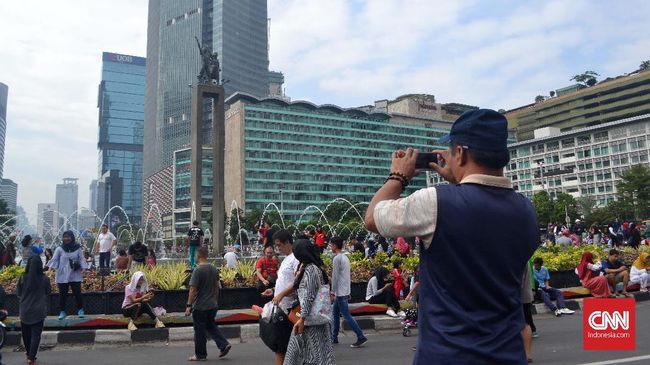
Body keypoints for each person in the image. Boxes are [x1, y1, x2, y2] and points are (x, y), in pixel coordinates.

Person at [364, 109, 539, 364]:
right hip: (508, 354)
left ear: (461, 153)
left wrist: (398, 176)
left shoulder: (437, 202)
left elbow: (372, 219)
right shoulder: (526, 211)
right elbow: (481, 219)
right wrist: (460, 182)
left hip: (447, 355)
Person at [283, 239, 335, 365]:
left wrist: (302, 318)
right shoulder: (311, 267)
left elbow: (309, 295)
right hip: (312, 320)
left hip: (310, 320)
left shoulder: (311, 269)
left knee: (316, 355)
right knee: (312, 355)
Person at [185, 247, 231, 361]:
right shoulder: (214, 269)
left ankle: (200, 355)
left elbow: (192, 289)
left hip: (200, 306)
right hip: (212, 305)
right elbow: (216, 287)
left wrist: (189, 306)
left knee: (199, 331)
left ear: (198, 255)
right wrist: (215, 301)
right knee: (210, 325)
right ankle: (223, 344)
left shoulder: (197, 270)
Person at [263, 230, 300, 365]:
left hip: (291, 308)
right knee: (281, 346)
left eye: (279, 245)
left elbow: (297, 282)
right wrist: (273, 291)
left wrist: (281, 294)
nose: (277, 248)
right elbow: (285, 282)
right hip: (282, 307)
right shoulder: (286, 259)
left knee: (282, 347)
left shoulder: (295, 259)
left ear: (288, 242)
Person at [330, 236, 367, 348]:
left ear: (335, 245)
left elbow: (335, 277)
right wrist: (348, 291)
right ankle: (334, 337)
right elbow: (346, 276)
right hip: (343, 291)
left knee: (346, 316)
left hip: (340, 292)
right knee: (335, 314)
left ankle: (360, 336)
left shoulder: (337, 259)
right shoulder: (346, 258)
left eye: (331, 245)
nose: (330, 247)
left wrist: (332, 292)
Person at [47, 230, 88, 320]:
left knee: (77, 293)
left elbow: (81, 258)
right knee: (62, 294)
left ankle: (80, 310)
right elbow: (55, 259)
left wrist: (84, 268)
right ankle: (62, 311)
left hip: (74, 273)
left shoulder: (77, 248)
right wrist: (50, 269)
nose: (66, 238)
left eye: (68, 237)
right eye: (65, 237)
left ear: (72, 237)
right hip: (62, 274)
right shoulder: (59, 249)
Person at [17, 257, 51, 365]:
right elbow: (48, 292)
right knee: (36, 335)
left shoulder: (22, 278)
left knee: (26, 335)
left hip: (24, 310)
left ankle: (29, 354)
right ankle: (31, 358)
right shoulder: (44, 279)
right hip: (38, 311)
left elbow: (18, 293)